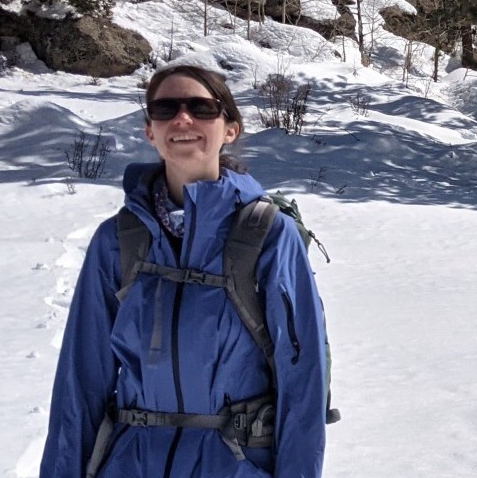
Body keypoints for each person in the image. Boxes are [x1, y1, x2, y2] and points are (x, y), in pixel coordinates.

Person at [41, 65, 330, 478]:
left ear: (230, 129)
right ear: (150, 131)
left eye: (201, 108)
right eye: (165, 109)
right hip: (130, 463)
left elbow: (303, 381)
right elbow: (80, 379)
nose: (182, 118)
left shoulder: (267, 234)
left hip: (235, 464)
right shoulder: (118, 239)